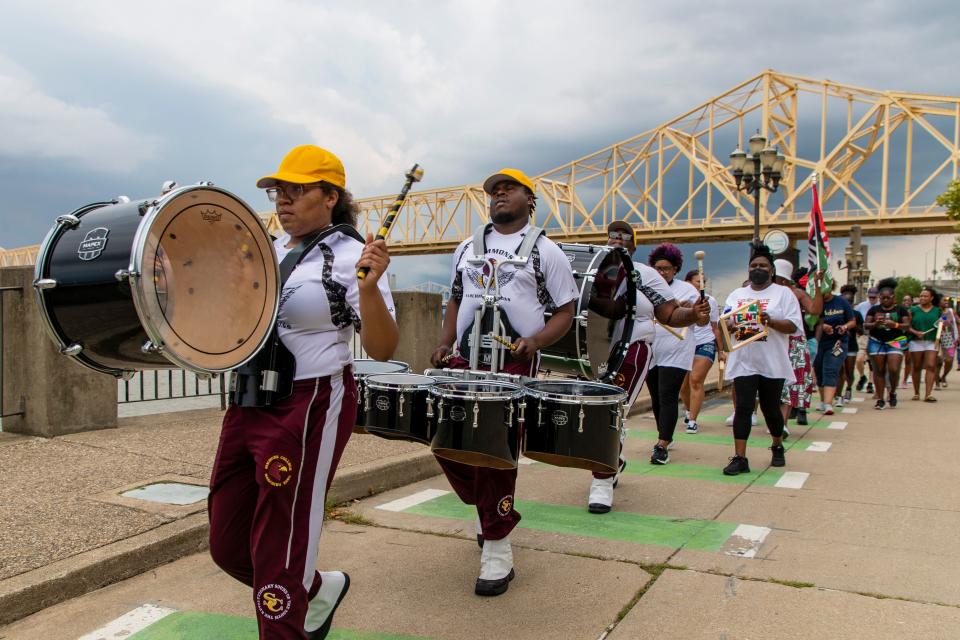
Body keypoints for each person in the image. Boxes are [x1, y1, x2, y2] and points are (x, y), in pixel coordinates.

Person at [208, 145, 399, 639]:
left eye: (297, 190)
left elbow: (381, 347)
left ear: (330, 195)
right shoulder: (269, 249)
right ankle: (315, 589)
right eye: (279, 191)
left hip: (310, 401)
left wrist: (372, 290)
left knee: (280, 547)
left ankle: (290, 608)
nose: (283, 201)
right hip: (249, 397)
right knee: (228, 543)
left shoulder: (354, 256)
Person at [429, 168, 577, 596]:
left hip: (512, 363)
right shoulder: (466, 247)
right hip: (463, 360)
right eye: (494, 190)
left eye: (508, 188)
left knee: (496, 452)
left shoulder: (546, 251)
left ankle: (497, 544)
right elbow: (455, 298)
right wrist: (443, 342)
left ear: (530, 200)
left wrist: (535, 341)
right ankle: (486, 509)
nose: (498, 195)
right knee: (443, 440)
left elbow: (565, 311)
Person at [586, 223, 701, 513]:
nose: (618, 240)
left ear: (634, 246)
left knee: (612, 412)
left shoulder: (645, 274)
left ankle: (601, 482)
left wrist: (694, 314)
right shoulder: (593, 268)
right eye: (613, 236)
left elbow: (671, 314)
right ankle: (613, 460)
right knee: (589, 414)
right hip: (592, 351)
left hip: (633, 349)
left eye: (625, 238)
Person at [721, 243, 802, 475]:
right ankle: (740, 457)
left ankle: (777, 445)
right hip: (744, 360)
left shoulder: (783, 294)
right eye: (754, 265)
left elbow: (793, 326)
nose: (758, 268)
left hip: (772, 362)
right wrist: (731, 323)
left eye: (763, 265)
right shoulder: (738, 295)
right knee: (743, 408)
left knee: (770, 410)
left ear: (771, 270)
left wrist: (770, 321)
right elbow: (725, 323)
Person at [646, 244, 712, 465]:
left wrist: (693, 312)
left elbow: (700, 320)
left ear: (675, 269)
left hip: (677, 349)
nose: (661, 272)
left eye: (666, 268)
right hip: (651, 349)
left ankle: (662, 444)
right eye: (657, 268)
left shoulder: (687, 290)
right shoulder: (646, 286)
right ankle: (664, 432)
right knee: (655, 396)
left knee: (667, 394)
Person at [774, 260, 822, 427]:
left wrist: (817, 286)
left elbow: (815, 310)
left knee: (791, 383)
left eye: (777, 278)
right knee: (775, 383)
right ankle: (778, 422)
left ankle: (783, 424)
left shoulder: (797, 293)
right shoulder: (766, 293)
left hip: (794, 342)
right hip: (774, 342)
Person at [680, 269, 724, 435]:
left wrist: (721, 350)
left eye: (703, 282)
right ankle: (689, 410)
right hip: (685, 344)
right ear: (688, 283)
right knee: (683, 386)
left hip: (705, 343)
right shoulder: (679, 299)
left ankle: (692, 420)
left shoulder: (710, 301)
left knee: (696, 380)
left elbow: (715, 327)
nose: (701, 285)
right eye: (698, 281)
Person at [864, 278, 911, 410]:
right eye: (882, 298)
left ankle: (892, 392)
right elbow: (866, 325)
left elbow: (907, 326)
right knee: (879, 370)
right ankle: (880, 399)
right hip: (877, 341)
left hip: (895, 341)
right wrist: (875, 324)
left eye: (887, 298)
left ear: (893, 297)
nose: (884, 300)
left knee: (894, 369)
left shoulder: (901, 310)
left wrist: (895, 324)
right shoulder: (874, 310)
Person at [813, 282, 856, 414]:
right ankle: (823, 400)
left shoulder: (841, 302)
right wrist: (822, 325)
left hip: (838, 343)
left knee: (831, 369)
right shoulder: (815, 303)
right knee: (819, 370)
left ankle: (828, 404)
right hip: (819, 342)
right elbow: (809, 320)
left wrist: (845, 327)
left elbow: (852, 321)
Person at [908, 287, 942, 402]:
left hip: (931, 341)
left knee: (931, 365)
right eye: (921, 296)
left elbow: (941, 324)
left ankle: (928, 394)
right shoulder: (913, 310)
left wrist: (944, 324)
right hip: (916, 341)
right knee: (916, 366)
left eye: (925, 296)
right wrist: (916, 332)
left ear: (931, 298)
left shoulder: (937, 310)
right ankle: (916, 392)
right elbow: (907, 325)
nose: (922, 298)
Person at [835, 284, 864, 404]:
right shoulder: (836, 312)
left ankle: (848, 388)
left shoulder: (856, 314)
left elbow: (861, 331)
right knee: (839, 370)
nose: (848, 303)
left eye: (850, 301)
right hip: (838, 344)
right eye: (845, 300)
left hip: (851, 345)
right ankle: (838, 395)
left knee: (849, 371)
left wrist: (854, 326)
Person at [855, 287, 879, 394]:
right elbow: (855, 318)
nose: (872, 299)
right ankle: (862, 376)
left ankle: (870, 382)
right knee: (859, 359)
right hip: (864, 335)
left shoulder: (880, 306)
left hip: (876, 336)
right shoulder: (861, 306)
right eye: (870, 297)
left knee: (872, 361)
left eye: (874, 297)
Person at [937, 297, 958, 387]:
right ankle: (936, 381)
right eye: (944, 300)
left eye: (947, 300)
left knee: (949, 360)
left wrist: (958, 335)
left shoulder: (951, 311)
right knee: (938, 361)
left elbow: (957, 322)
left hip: (948, 336)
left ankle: (944, 376)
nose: (946, 302)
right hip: (936, 337)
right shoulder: (935, 311)